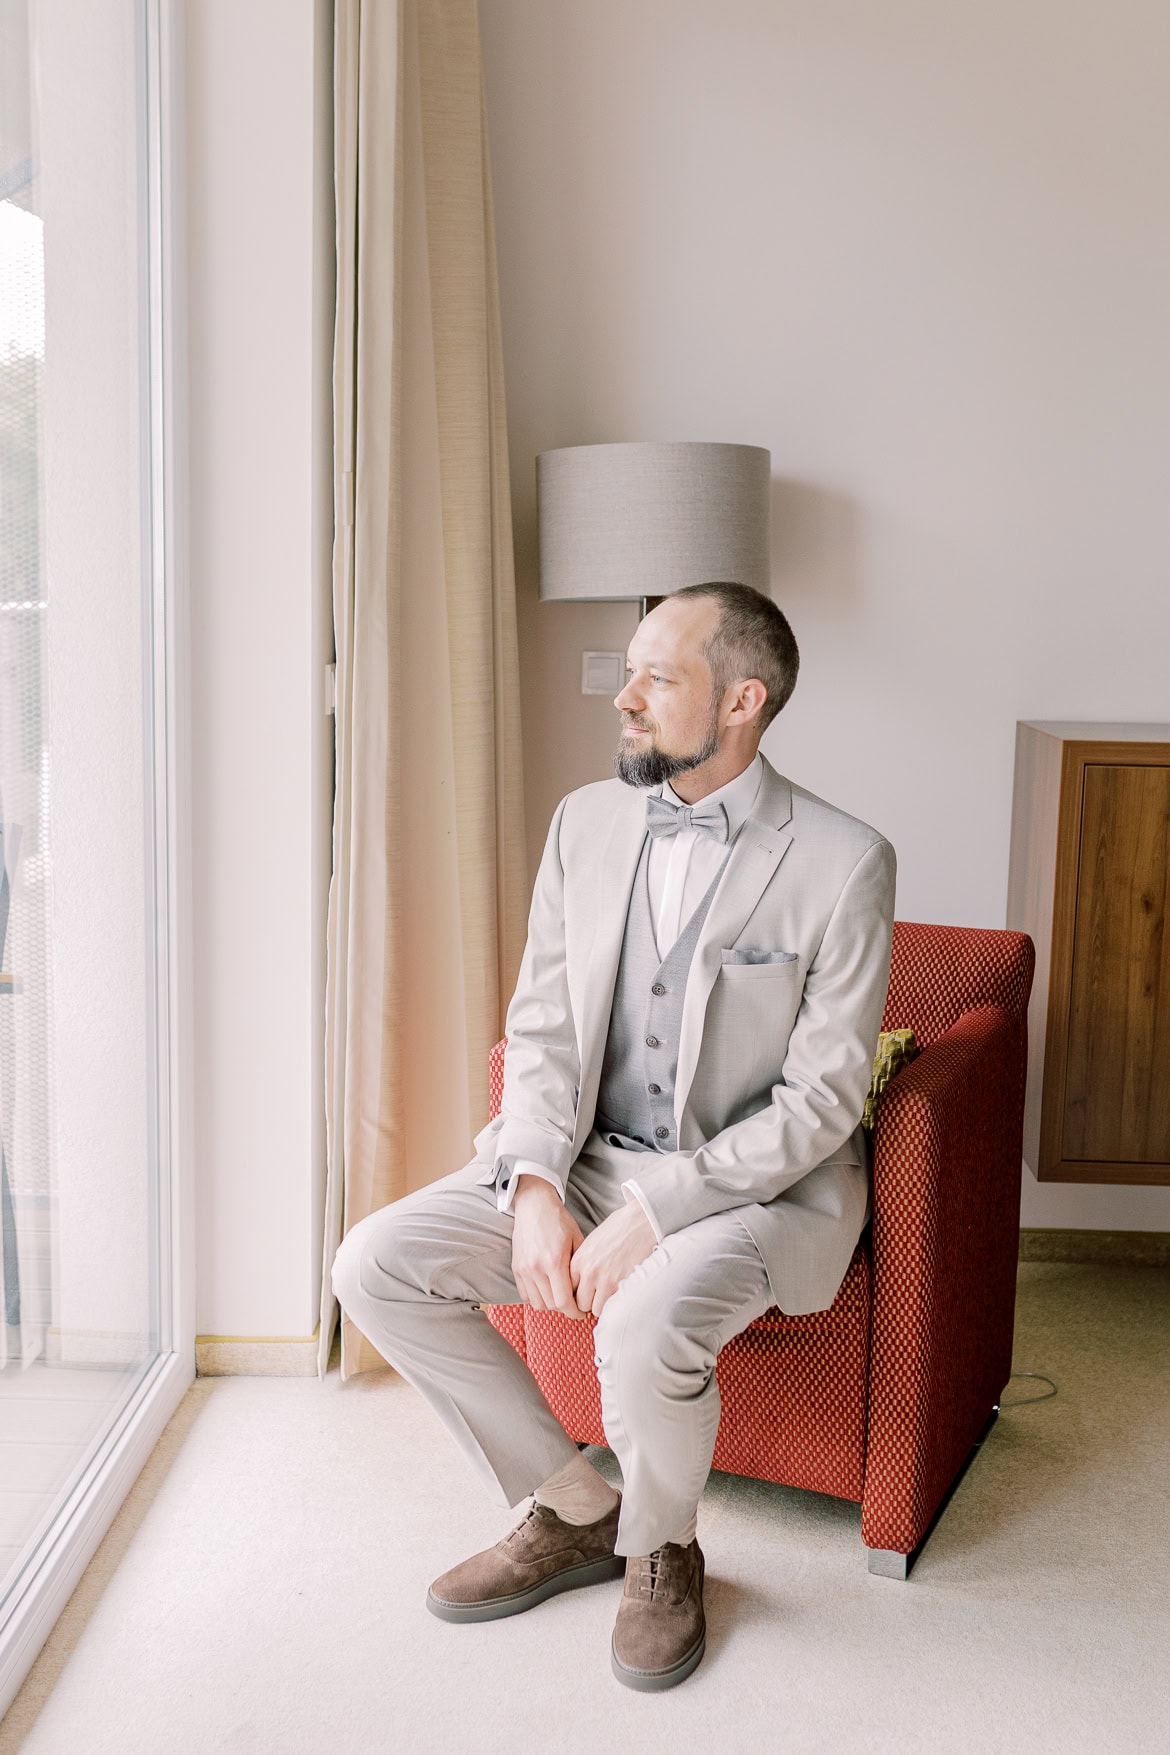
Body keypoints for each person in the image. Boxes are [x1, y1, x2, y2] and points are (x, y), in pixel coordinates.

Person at [331, 581, 896, 1692]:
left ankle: (662, 1548)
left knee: (644, 1320)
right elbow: (540, 1026)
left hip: (761, 1193)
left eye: (658, 678)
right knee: (374, 1263)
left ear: (743, 700)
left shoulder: (844, 859)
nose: (624, 699)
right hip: (587, 1161)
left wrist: (658, 1212)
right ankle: (574, 1504)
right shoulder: (584, 822)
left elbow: (821, 1107)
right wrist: (535, 1178)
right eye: (628, 668)